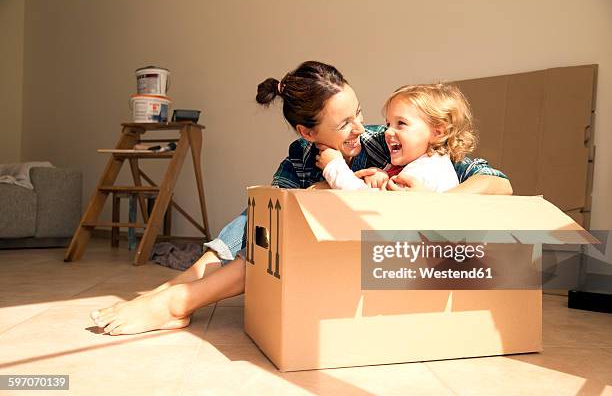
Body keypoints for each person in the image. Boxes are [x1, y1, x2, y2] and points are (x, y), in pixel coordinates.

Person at [90, 61, 512, 335]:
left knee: (279, 225)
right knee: (260, 219)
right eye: (344, 123)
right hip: (321, 251)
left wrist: (437, 201)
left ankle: (175, 300)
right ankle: (168, 295)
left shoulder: (387, 144)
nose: (361, 129)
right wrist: (322, 185)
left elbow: (496, 182)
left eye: (359, 113)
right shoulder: (300, 159)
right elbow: (265, 223)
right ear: (307, 133)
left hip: (374, 257)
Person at [318, 83, 475, 192]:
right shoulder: (423, 164)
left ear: (437, 132)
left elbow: (367, 204)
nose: (387, 132)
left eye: (401, 123)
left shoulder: (425, 171)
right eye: (388, 124)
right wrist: (383, 177)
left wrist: (334, 166)